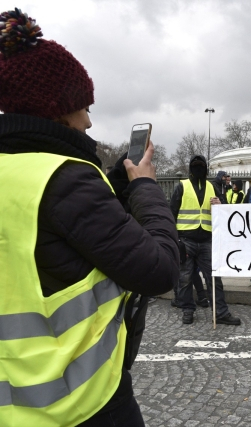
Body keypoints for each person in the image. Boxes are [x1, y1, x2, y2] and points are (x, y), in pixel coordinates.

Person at [0, 8, 179, 425]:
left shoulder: (36, 177)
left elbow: (58, 230)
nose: (89, 120)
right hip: (81, 402)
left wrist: (114, 178)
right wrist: (145, 187)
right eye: (83, 107)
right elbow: (159, 270)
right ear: (58, 111)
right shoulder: (66, 183)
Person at [170, 155, 241, 325]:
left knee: (214, 278)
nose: (198, 169)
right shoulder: (182, 186)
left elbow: (224, 211)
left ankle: (221, 313)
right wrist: (176, 240)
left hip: (207, 240)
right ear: (190, 168)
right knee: (185, 278)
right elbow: (171, 213)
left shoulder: (212, 186)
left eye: (201, 166)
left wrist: (219, 204)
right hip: (185, 240)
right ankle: (187, 310)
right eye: (195, 166)